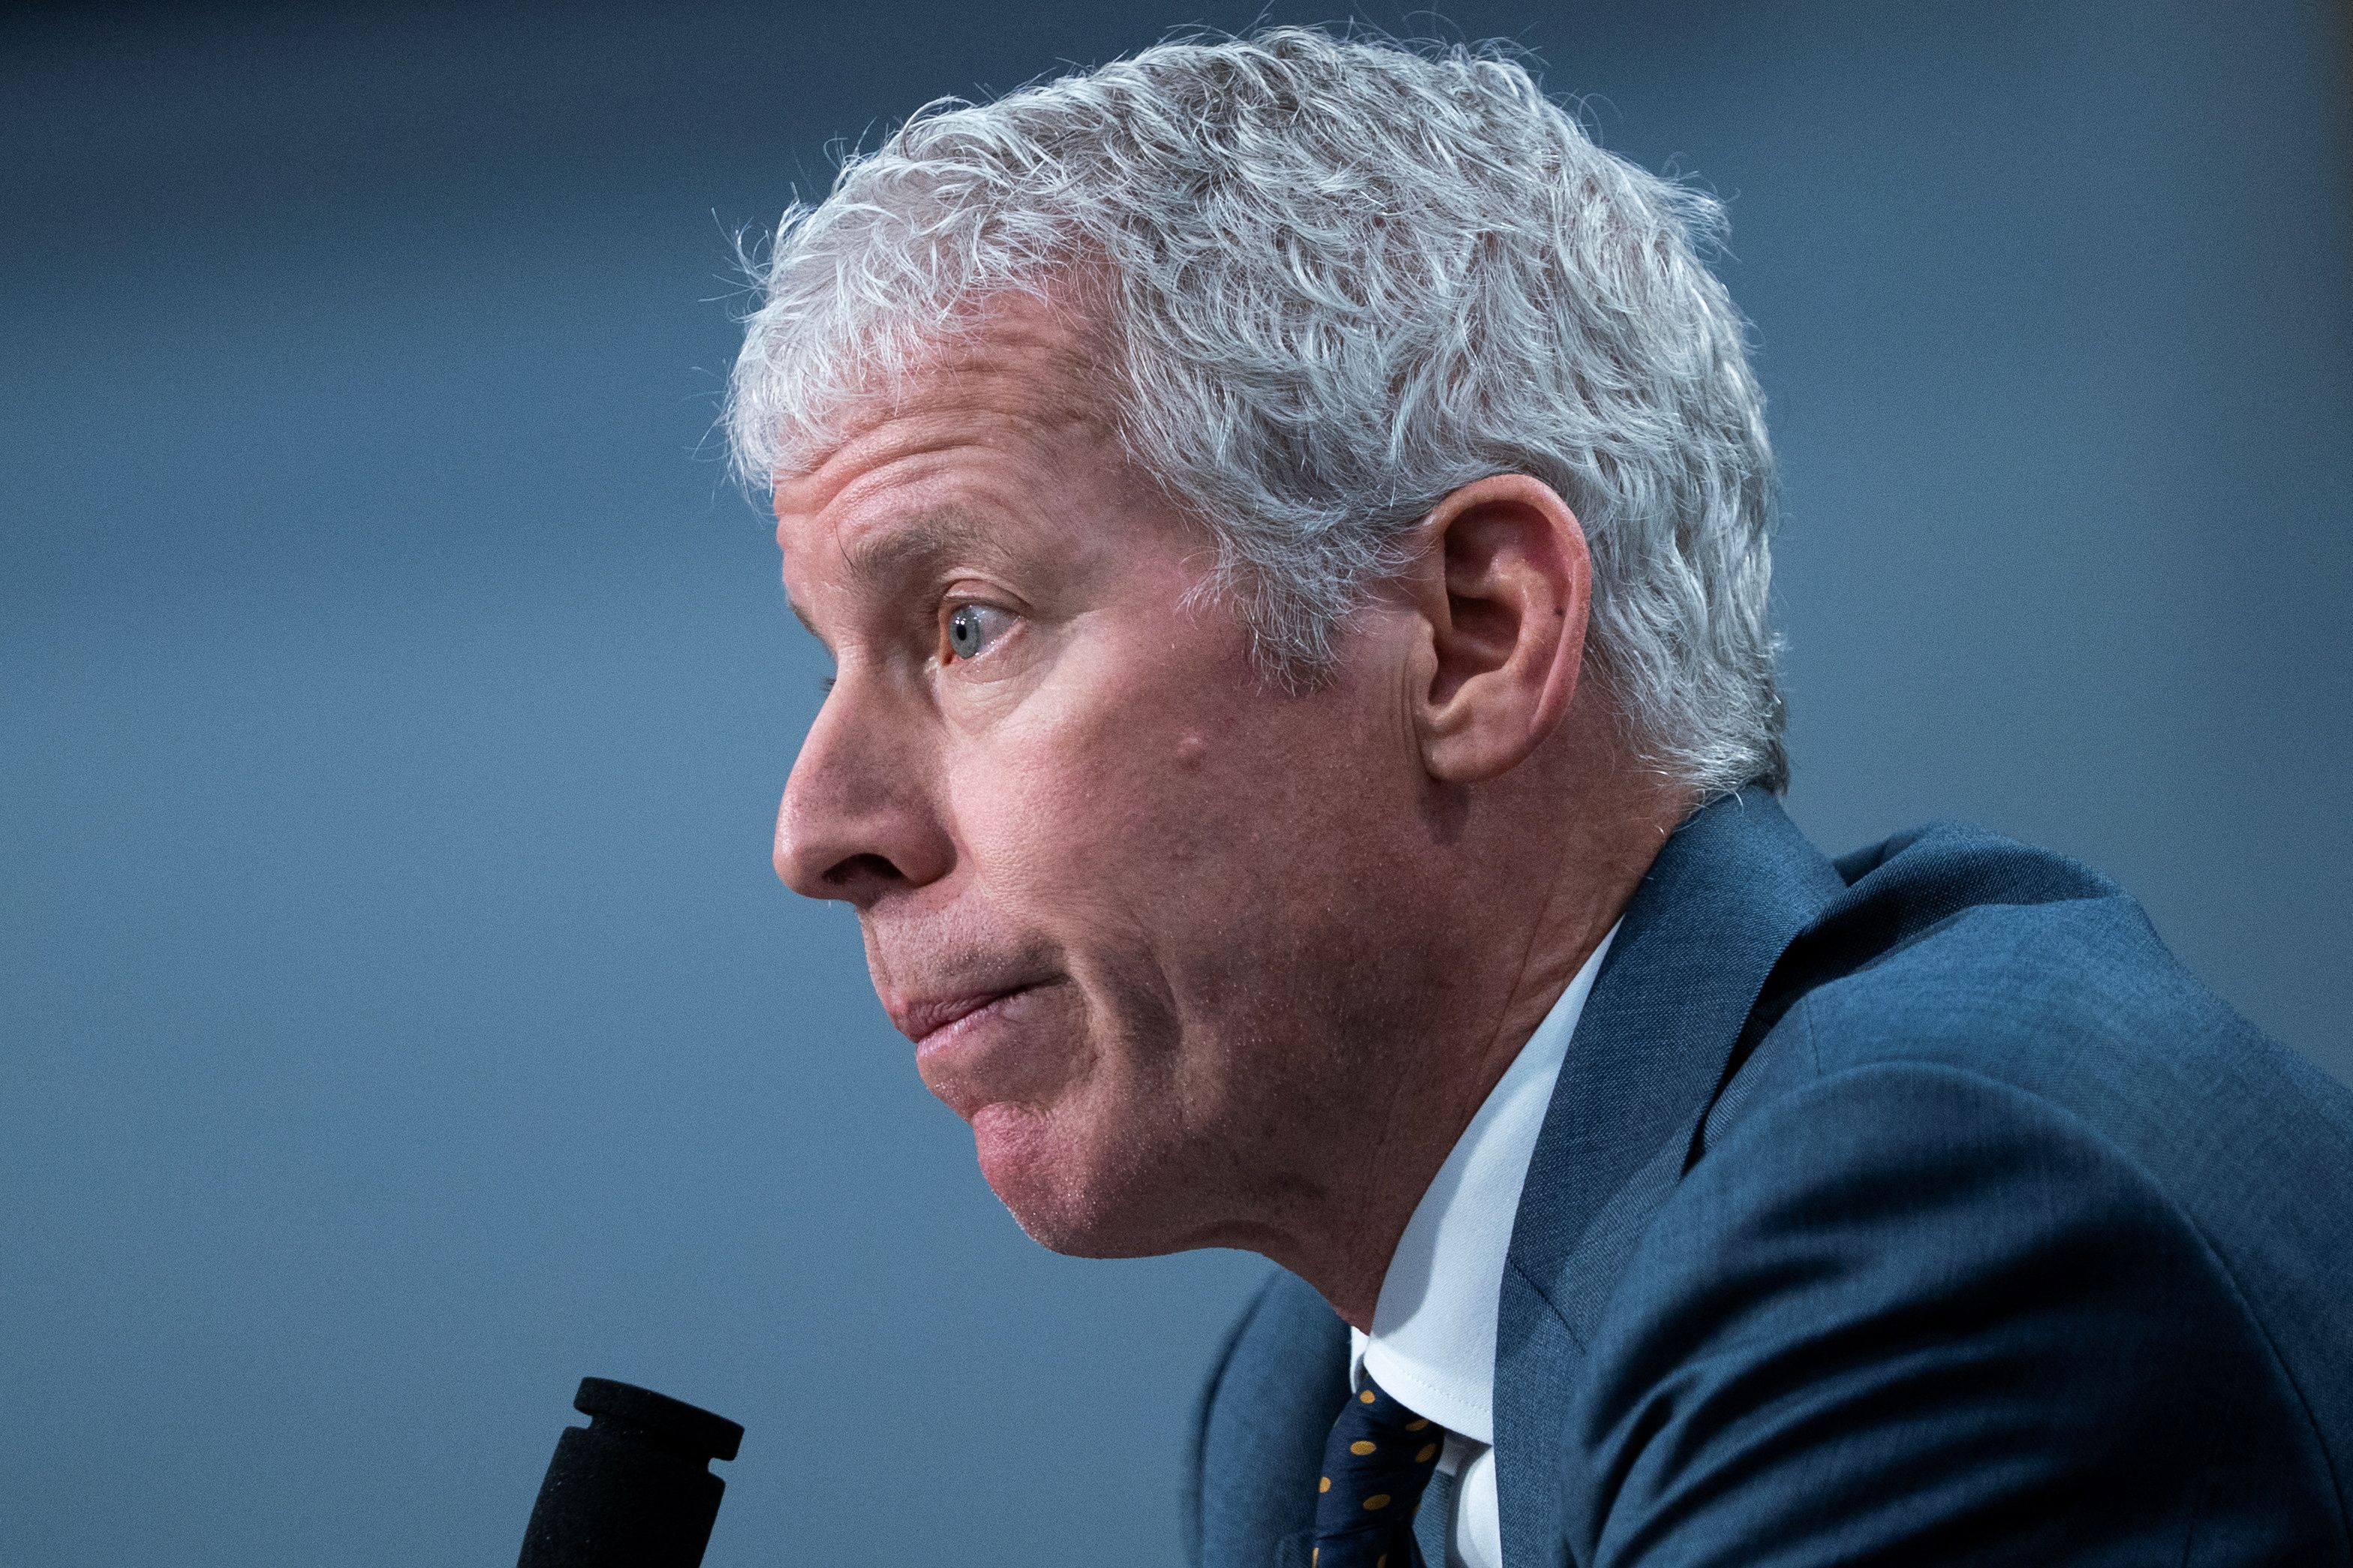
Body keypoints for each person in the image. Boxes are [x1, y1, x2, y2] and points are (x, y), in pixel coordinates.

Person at [727, 28, 2353, 1568]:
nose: (820, 829)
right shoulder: (1309, 1406)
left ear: (1472, 638)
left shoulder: (1926, 1233)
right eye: (832, 666)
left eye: (962, 626)